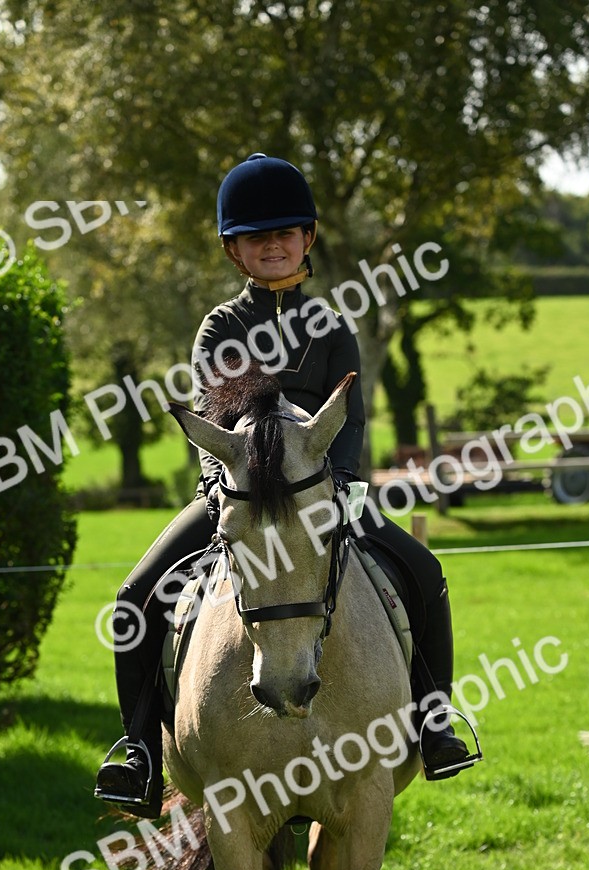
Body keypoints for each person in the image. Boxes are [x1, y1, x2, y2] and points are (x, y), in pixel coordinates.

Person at [95, 153, 477, 818]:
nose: (273, 245)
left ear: (308, 239)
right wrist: (224, 488)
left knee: (424, 570)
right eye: (256, 237)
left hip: (325, 494)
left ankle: (434, 721)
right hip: (235, 495)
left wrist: (346, 483)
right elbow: (214, 420)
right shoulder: (219, 327)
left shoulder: (331, 325)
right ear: (233, 250)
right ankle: (141, 753)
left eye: (285, 233)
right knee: (135, 595)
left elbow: (350, 419)